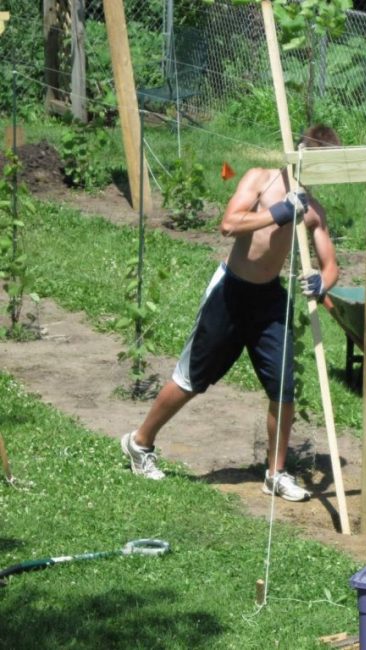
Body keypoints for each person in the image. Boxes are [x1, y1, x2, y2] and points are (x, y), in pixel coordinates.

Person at [121, 124, 341, 502]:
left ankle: (276, 472)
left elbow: (331, 264)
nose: (316, 170)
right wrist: (278, 212)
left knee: (285, 386)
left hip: (270, 301)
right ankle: (140, 443)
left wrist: (324, 282)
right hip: (231, 292)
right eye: (313, 160)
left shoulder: (312, 209)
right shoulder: (259, 179)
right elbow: (228, 225)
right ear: (296, 151)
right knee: (193, 378)